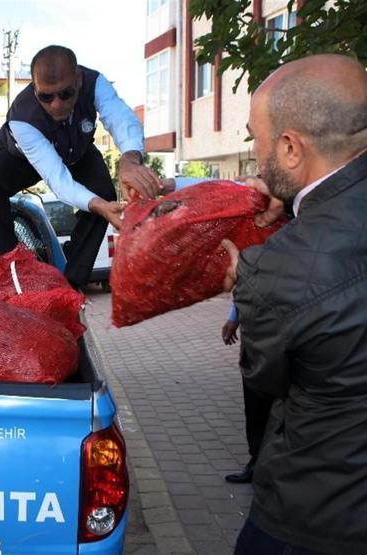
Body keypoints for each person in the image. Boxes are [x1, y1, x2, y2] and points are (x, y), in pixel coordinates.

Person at [221, 54, 367, 554]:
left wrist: (250, 280)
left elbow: (266, 381)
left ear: (289, 147)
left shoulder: (279, 266)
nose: (254, 152)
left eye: (255, 138)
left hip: (318, 512)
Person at [0, 44, 161, 286]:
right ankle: (17, 270)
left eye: (66, 94)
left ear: (78, 79)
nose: (57, 105)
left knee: (103, 194)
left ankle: (70, 281)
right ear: (34, 88)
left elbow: (120, 118)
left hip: (77, 151)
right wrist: (97, 206)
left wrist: (130, 160)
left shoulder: (95, 82)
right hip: (24, 159)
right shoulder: (22, 118)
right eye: (46, 97)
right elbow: (58, 179)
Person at [220, 303, 272, 484]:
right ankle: (257, 462)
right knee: (255, 406)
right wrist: (234, 317)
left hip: (291, 329)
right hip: (257, 335)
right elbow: (245, 283)